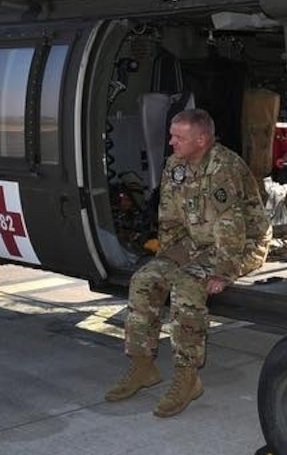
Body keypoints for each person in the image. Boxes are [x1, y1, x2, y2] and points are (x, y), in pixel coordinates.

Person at [104, 107, 272, 417]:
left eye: (178, 137)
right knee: (145, 279)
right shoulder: (175, 164)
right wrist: (167, 258)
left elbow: (230, 225)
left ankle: (187, 377)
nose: (171, 142)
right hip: (195, 242)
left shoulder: (224, 167)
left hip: (238, 245)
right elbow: (169, 216)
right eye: (171, 135)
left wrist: (224, 271)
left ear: (202, 139)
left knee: (187, 286)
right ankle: (143, 367)